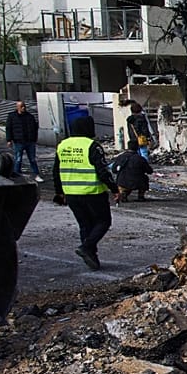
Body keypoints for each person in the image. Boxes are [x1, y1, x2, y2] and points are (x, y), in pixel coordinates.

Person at [53, 115, 114, 270]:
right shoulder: (92, 146)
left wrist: (59, 192)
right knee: (103, 221)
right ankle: (87, 247)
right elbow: (103, 171)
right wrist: (114, 189)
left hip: (71, 193)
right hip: (93, 192)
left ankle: (91, 256)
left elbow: (55, 171)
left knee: (85, 224)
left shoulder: (62, 145)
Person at [110, 137, 154, 202]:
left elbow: (114, 170)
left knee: (123, 184)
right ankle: (141, 196)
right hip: (138, 182)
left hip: (122, 182)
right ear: (137, 148)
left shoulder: (121, 157)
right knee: (145, 178)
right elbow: (149, 171)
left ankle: (124, 193)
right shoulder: (140, 159)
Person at [6, 100, 41, 181]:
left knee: (32, 159)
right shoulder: (12, 117)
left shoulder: (30, 116)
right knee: (18, 159)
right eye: (21, 106)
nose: (23, 108)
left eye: (24, 106)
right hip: (19, 141)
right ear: (17, 107)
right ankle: (16, 173)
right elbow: (9, 128)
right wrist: (9, 139)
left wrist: (34, 139)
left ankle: (36, 174)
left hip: (30, 141)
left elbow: (34, 128)